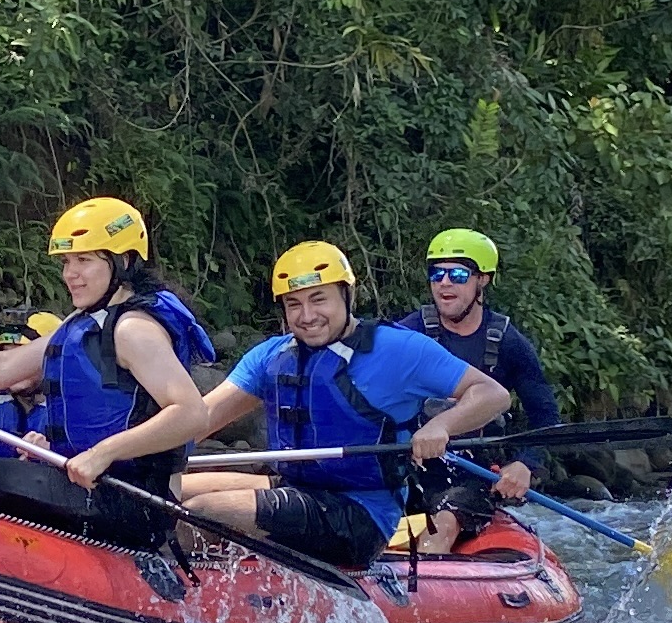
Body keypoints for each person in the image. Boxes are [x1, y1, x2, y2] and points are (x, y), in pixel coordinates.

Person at [149, 241, 512, 567]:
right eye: (294, 304)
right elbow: (201, 418)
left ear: (346, 295)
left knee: (201, 512)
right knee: (159, 492)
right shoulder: (272, 356)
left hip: (359, 514)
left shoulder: (398, 349)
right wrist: (128, 454)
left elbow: (491, 394)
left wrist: (441, 426)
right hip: (291, 489)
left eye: (318, 299)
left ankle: (168, 602)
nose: (307, 316)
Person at [0, 200, 212, 545]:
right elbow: (4, 366)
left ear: (123, 262)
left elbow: (191, 413)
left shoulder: (133, 329)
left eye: (85, 260)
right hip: (89, 487)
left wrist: (103, 452)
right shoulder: (85, 321)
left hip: (134, 500)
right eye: (66, 262)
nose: (70, 274)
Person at [394, 227, 560, 553]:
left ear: (481, 280)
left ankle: (419, 591)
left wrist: (525, 464)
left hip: (472, 475)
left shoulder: (509, 343)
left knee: (442, 523)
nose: (444, 282)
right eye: (436, 273)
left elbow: (545, 415)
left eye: (457, 273)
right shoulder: (408, 333)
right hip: (405, 464)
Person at [0, 312, 64, 458]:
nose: (14, 368)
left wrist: (51, 449)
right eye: (9, 358)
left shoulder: (72, 413)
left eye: (22, 358)